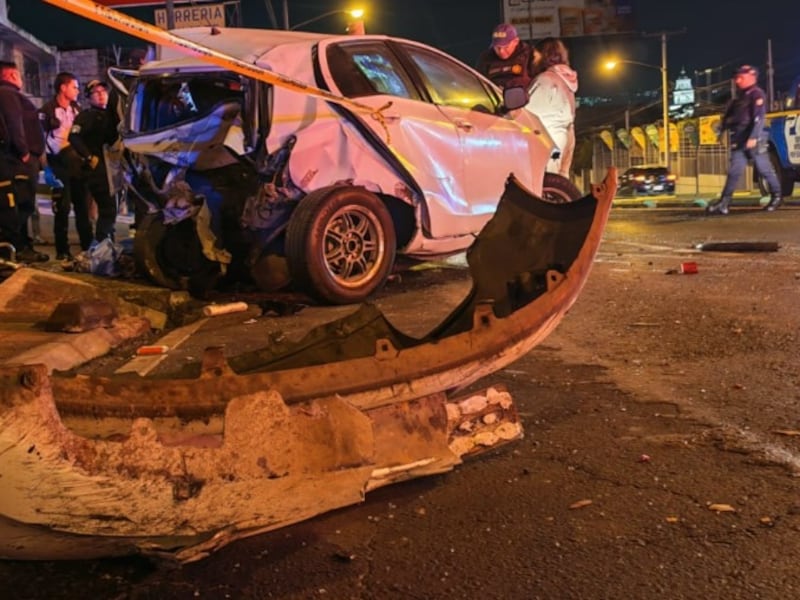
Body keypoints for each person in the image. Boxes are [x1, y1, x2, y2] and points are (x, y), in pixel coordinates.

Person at [707, 65, 783, 215]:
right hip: (740, 140)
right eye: (737, 77)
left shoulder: (757, 94)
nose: (738, 80)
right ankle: (724, 202)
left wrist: (753, 136)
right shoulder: (740, 98)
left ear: (751, 77)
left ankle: (777, 196)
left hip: (754, 140)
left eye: (741, 77)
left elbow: (759, 118)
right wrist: (722, 129)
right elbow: (731, 119)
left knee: (764, 170)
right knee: (734, 172)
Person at [39, 71, 93, 259]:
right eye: (74, 87)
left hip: (77, 165)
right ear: (63, 88)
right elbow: (41, 143)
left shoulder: (77, 110)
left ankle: (88, 248)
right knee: (62, 210)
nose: (77, 90)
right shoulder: (47, 111)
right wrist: (46, 169)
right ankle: (62, 252)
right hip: (58, 165)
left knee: (82, 209)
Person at [0, 60, 49, 263]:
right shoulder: (7, 93)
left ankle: (22, 246)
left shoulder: (9, 94)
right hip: (18, 163)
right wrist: (24, 152)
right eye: (19, 74)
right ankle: (18, 248)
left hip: (19, 161)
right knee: (21, 206)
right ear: (11, 75)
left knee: (23, 207)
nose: (21, 78)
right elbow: (14, 123)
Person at [68, 80, 119, 243]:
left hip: (112, 168)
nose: (101, 95)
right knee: (107, 210)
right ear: (89, 97)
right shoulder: (86, 116)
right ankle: (103, 249)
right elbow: (73, 137)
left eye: (103, 91)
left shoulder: (112, 115)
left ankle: (108, 246)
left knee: (111, 211)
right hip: (98, 170)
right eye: (96, 93)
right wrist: (89, 157)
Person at [525, 38, 578, 177]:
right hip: (563, 139)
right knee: (557, 184)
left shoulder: (546, 80)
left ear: (546, 56)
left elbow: (525, 113)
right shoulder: (564, 81)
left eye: (535, 56)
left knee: (544, 184)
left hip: (546, 141)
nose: (532, 60)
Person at [476, 24, 536, 90]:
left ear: (515, 41)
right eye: (498, 47)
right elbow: (478, 83)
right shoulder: (485, 58)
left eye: (506, 47)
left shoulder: (530, 55)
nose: (501, 51)